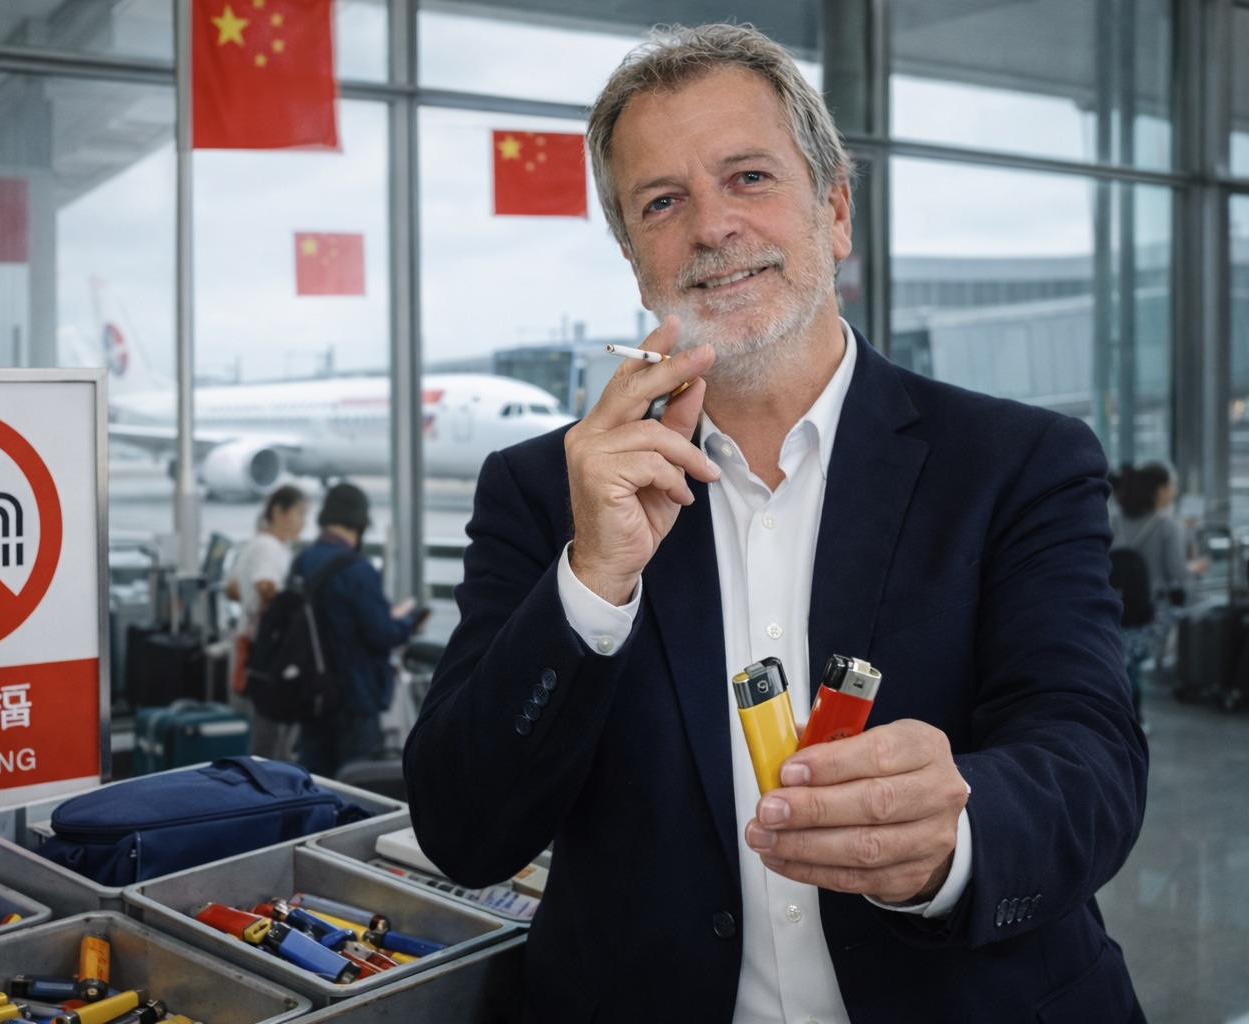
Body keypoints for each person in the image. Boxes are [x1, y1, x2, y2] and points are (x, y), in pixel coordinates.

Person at [403, 23, 1148, 1024]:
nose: (713, 226)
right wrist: (592, 581)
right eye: (662, 202)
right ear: (636, 260)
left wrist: (952, 840)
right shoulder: (546, 492)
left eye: (749, 177)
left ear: (836, 211)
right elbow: (463, 830)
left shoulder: (1017, 462)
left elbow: (1091, 759)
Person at [295, 482, 421, 778]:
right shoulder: (358, 570)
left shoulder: (303, 561)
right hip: (355, 695)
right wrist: (408, 622)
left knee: (314, 782)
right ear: (361, 522)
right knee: (355, 784)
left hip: (311, 692)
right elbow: (383, 633)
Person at [1110, 461, 1206, 722]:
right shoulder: (1167, 526)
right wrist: (1196, 566)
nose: (1173, 492)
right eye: (1170, 486)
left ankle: (1124, 717)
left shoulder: (1114, 519)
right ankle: (1133, 720)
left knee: (1122, 658)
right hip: (1149, 611)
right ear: (1159, 490)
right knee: (1132, 661)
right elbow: (1177, 573)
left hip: (1115, 604)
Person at [224, 484, 308, 760]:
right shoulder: (269, 547)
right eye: (299, 513)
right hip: (267, 651)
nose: (302, 522)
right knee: (270, 737)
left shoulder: (256, 544)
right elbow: (265, 586)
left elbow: (232, 589)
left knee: (261, 729)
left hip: (250, 643)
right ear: (278, 512)